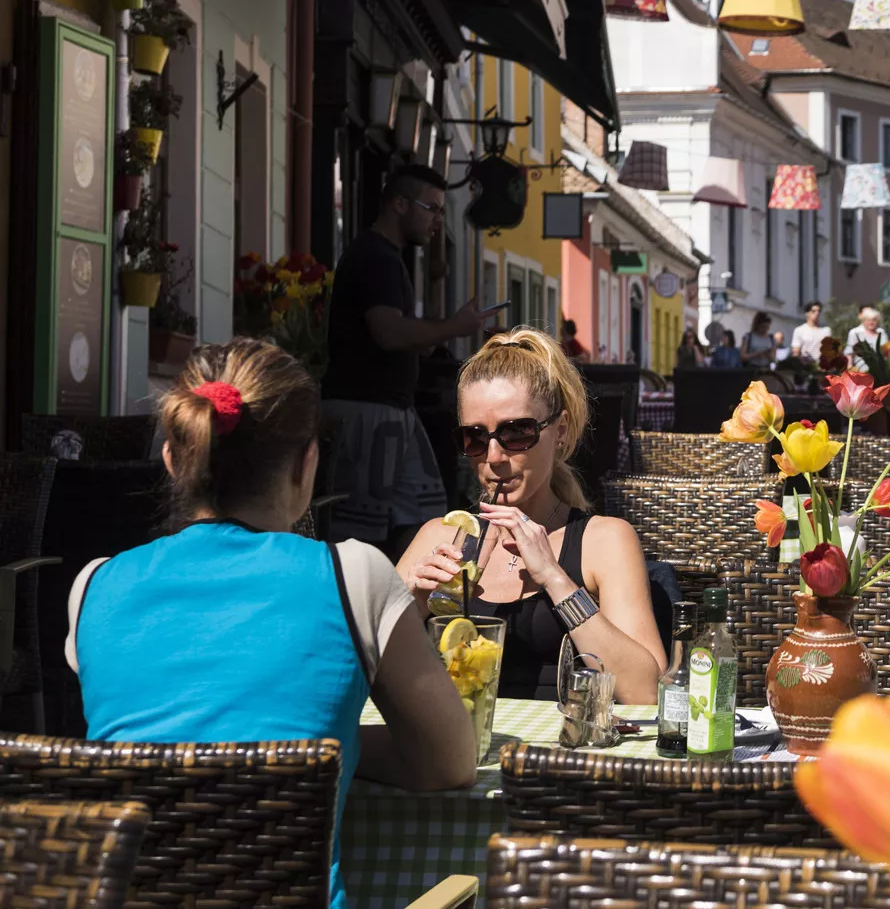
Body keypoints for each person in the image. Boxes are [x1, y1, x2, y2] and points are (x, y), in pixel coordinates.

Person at [67, 339, 474, 908]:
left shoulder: (92, 588)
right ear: (308, 464)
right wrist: (335, 748)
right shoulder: (351, 575)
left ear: (173, 459)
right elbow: (449, 762)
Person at [400, 328, 667, 702]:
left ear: (560, 431)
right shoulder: (440, 536)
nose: (493, 456)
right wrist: (409, 603)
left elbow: (645, 692)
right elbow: (361, 670)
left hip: (564, 752)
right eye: (475, 437)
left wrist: (556, 580)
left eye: (516, 432)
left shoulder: (603, 540)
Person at [324, 164, 494, 559]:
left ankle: (410, 600)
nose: (438, 220)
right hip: (366, 412)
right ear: (400, 204)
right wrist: (454, 326)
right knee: (361, 535)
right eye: (431, 208)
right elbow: (389, 332)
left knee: (423, 519)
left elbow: (402, 336)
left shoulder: (387, 257)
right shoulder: (375, 257)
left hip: (392, 412)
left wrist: (434, 335)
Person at [845, 305, 890, 369]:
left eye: (874, 320)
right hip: (861, 370)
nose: (871, 323)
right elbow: (849, 353)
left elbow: (886, 352)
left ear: (878, 321)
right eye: (868, 320)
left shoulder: (881, 332)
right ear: (863, 321)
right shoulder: (855, 333)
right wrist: (850, 368)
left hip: (880, 370)